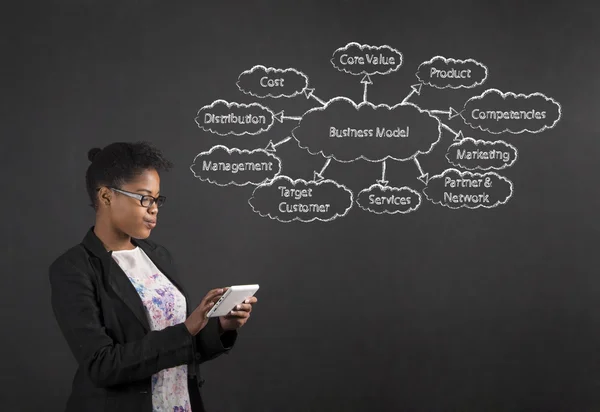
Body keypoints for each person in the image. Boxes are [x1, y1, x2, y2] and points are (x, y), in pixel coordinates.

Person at [48, 141, 257, 412]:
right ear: (106, 196)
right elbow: (101, 366)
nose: (154, 208)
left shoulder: (158, 256)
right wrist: (187, 329)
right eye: (144, 198)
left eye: (157, 199)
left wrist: (220, 328)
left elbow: (180, 350)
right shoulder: (73, 268)